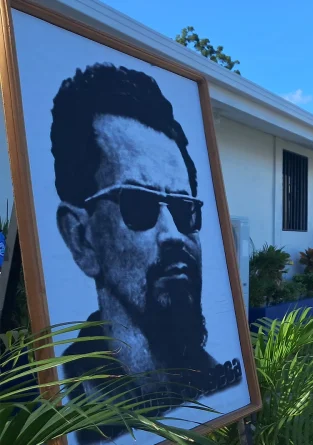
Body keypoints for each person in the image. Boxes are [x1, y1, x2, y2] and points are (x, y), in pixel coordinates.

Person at [51, 63, 241, 444]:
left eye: (184, 210)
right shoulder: (66, 407)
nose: (173, 235)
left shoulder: (222, 380)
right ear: (81, 238)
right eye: (139, 206)